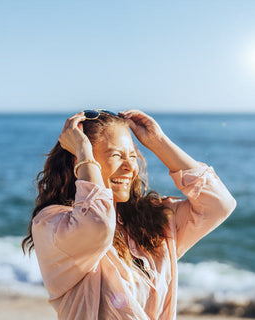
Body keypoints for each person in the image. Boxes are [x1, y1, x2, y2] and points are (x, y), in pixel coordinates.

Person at [21, 109, 236, 319]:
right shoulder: (53, 224)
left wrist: (158, 141)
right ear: (78, 161)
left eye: (132, 156)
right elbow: (98, 224)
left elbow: (218, 204)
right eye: (116, 155)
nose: (129, 167)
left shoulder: (150, 222)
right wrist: (83, 151)